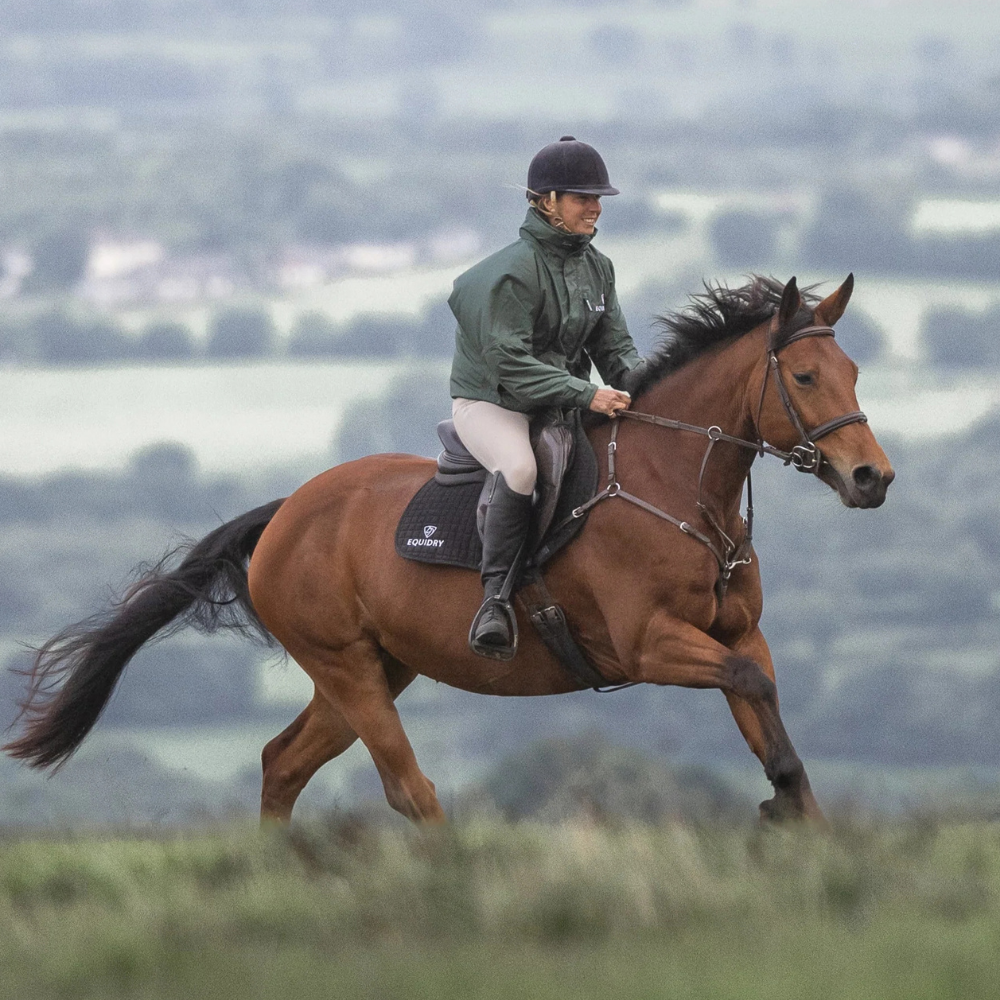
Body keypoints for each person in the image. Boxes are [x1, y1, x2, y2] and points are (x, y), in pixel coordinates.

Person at [448, 135, 644, 656]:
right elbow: (511, 366)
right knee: (520, 470)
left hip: (560, 401)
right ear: (547, 201)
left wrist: (652, 391)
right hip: (494, 403)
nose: (595, 208)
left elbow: (614, 347)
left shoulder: (597, 267)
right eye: (583, 198)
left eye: (598, 198)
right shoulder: (512, 273)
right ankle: (494, 600)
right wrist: (588, 394)